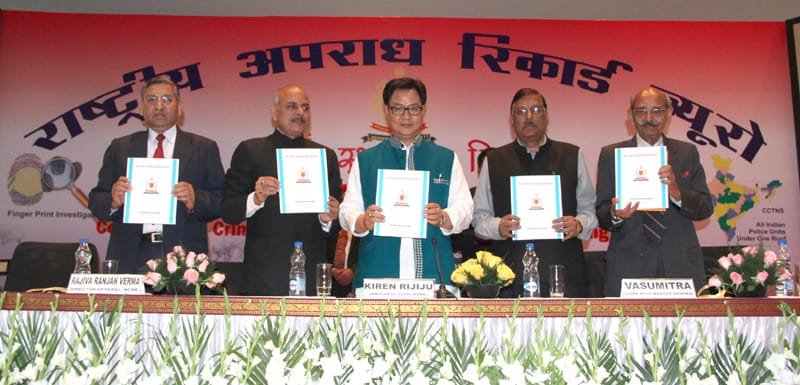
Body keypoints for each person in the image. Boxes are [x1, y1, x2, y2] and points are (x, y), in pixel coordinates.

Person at [339, 77, 473, 290]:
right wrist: (362, 220)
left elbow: (465, 208)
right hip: (378, 271)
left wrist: (445, 217)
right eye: (398, 108)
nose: (406, 116)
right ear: (386, 110)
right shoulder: (366, 160)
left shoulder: (446, 158)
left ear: (423, 111)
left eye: (413, 108)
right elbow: (347, 210)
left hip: (434, 269)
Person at [89, 76, 225, 274]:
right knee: (126, 307)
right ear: (141, 108)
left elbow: (222, 200)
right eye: (151, 100)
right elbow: (96, 200)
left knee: (178, 307)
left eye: (167, 100)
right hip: (130, 255)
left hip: (183, 257)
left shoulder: (203, 148)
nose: (159, 106)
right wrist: (112, 201)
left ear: (179, 108)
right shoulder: (120, 147)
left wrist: (196, 199)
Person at [473, 88, 597, 298]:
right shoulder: (494, 160)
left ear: (547, 116)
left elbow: (590, 210)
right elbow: (479, 219)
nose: (529, 117)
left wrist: (578, 224)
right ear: (512, 119)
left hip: (564, 274)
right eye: (521, 111)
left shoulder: (571, 155)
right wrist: (498, 227)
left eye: (536, 109)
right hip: (509, 278)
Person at [221, 85, 342, 296]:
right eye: (292, 106)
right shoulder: (251, 150)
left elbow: (333, 226)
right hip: (265, 273)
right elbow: (229, 212)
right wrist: (255, 199)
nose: (300, 113)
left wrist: (329, 218)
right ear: (274, 113)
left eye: (305, 107)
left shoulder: (325, 156)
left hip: (312, 272)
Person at [596, 86, 713, 297]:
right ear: (631, 115)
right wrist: (614, 213)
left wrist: (677, 193)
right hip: (628, 264)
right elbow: (601, 213)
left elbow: (705, 208)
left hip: (680, 264)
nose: (648, 118)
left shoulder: (687, 152)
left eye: (657, 111)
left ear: (669, 114)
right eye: (641, 111)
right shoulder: (610, 155)